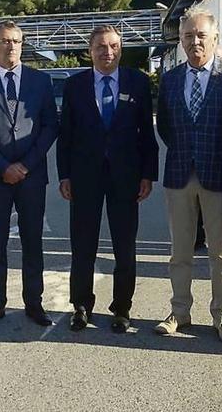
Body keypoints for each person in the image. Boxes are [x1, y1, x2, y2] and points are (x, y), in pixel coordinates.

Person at [154, 6, 222, 342]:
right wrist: (186, 149)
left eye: (201, 35)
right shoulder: (170, 79)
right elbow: (164, 125)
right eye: (188, 36)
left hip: (219, 174)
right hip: (180, 173)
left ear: (214, 38)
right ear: (180, 40)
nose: (195, 41)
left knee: (219, 251)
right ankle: (179, 312)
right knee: (180, 251)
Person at [56, 25, 158, 333]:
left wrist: (147, 174)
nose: (107, 52)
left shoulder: (137, 82)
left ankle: (122, 308)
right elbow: (66, 135)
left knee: (124, 247)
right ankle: (81, 305)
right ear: (90, 51)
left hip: (126, 178)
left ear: (121, 49)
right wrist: (65, 175)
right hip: (85, 177)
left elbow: (146, 134)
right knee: (82, 246)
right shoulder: (75, 86)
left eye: (113, 46)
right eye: (100, 47)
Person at [0, 21, 58, 329]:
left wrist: (25, 165)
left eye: (17, 41)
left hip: (31, 177)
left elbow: (49, 127)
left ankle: (34, 303)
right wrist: (3, 166)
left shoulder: (40, 81)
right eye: (4, 41)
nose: (11, 47)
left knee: (33, 243)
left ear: (23, 44)